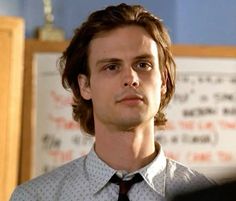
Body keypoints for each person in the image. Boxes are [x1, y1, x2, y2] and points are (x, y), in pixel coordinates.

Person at [10, 3, 214, 201]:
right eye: (112, 67)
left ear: (164, 81)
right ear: (85, 86)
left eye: (143, 64)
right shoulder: (35, 197)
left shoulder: (209, 196)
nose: (131, 78)